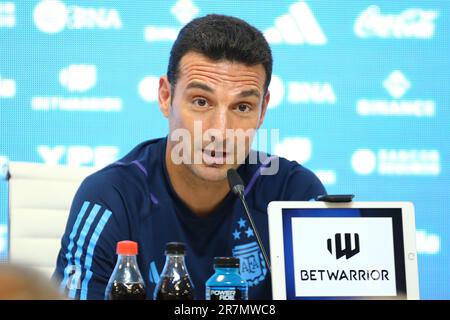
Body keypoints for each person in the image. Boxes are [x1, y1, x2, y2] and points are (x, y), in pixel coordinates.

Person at [53, 14, 326, 300]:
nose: (221, 132)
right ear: (165, 97)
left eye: (243, 107)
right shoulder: (111, 199)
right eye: (201, 102)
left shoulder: (294, 194)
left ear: (263, 110)